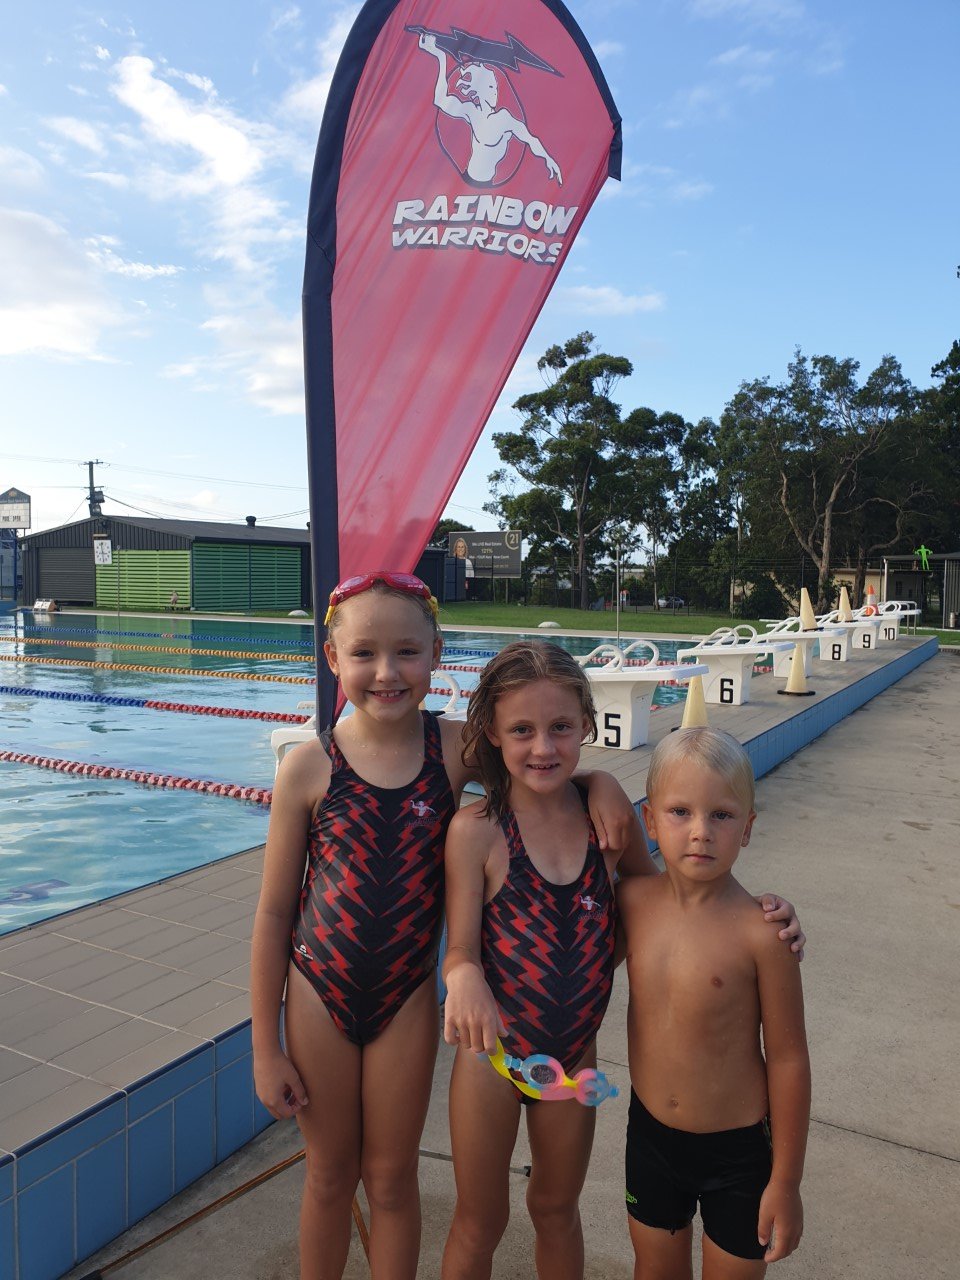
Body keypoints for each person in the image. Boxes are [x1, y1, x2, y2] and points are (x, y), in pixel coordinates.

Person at [250, 575, 639, 1280]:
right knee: (330, 1178)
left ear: (436, 653)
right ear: (332, 657)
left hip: (403, 1001)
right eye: (364, 653)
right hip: (315, 992)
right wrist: (263, 1047)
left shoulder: (455, 749)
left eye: (406, 651)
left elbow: (536, 759)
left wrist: (600, 784)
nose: (387, 672)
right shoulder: (309, 766)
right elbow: (276, 912)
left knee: (393, 1180)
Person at [439, 643, 804, 1280]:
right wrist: (461, 973)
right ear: (492, 734)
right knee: (479, 1220)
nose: (543, 746)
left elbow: (666, 900)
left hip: (572, 1057)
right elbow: (463, 948)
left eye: (560, 727)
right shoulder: (476, 831)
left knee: (556, 1208)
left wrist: (770, 918)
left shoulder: (604, 821)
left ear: (586, 722)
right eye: (521, 730)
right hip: (491, 1059)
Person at [620, 727, 811, 1279]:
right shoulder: (632, 902)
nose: (701, 832)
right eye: (680, 812)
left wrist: (787, 1181)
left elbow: (790, 1058)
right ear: (650, 820)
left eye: (722, 816)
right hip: (650, 1136)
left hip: (739, 1154)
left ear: (747, 829)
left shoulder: (762, 933)